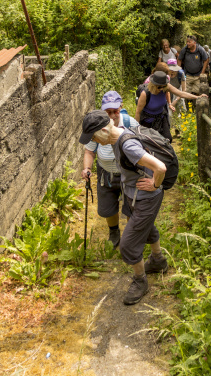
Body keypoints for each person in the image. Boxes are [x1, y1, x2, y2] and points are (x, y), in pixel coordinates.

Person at [79, 109, 169, 305]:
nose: (94, 141)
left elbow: (160, 167)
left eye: (94, 136)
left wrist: (154, 184)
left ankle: (140, 281)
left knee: (127, 245)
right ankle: (158, 260)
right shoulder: (116, 136)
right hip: (133, 195)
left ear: (103, 130)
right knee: (146, 228)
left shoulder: (127, 144)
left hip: (146, 198)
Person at [81, 91, 138, 249]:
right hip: (105, 173)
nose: (112, 115)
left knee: (130, 206)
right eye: (108, 112)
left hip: (128, 174)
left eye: (115, 111)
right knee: (107, 208)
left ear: (121, 107)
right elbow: (89, 151)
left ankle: (129, 236)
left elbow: (140, 148)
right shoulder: (97, 126)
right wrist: (86, 168)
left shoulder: (130, 123)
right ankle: (114, 232)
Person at [135, 71, 208, 141]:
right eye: (159, 87)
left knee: (168, 139)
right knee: (149, 141)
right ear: (153, 85)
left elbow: (181, 93)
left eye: (163, 87)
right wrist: (137, 129)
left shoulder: (166, 87)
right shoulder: (145, 94)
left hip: (161, 117)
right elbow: (138, 112)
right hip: (148, 120)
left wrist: (197, 97)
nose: (162, 89)